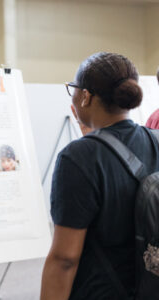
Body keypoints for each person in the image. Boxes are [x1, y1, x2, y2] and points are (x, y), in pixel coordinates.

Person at [40, 52, 159, 299]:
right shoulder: (155, 140)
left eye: (72, 88)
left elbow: (64, 259)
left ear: (85, 97)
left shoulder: (77, 157)